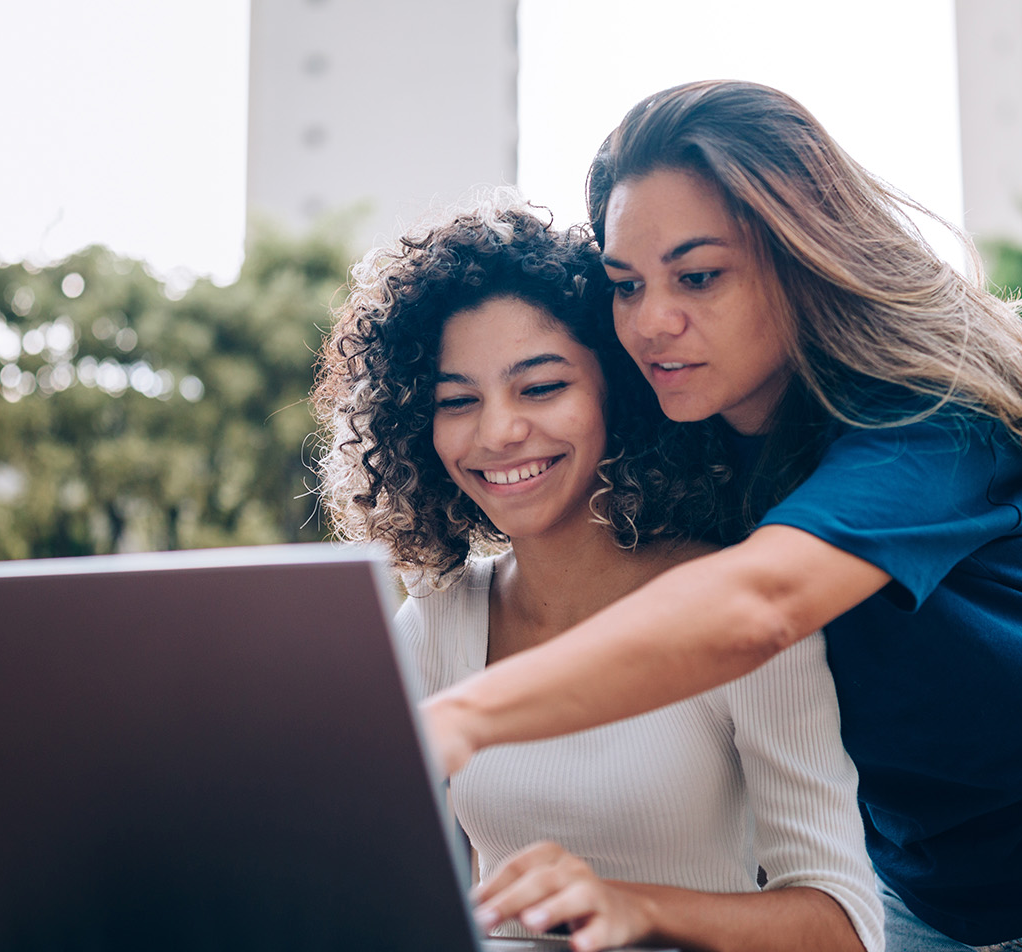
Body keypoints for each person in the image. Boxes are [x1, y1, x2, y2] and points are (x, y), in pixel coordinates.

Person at [418, 83, 1022, 951]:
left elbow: (761, 603)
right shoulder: (687, 438)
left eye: (698, 276)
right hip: (930, 889)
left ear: (802, 254)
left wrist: (461, 718)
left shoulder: (933, 411)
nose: (650, 322)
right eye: (626, 284)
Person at [312, 199, 885, 952]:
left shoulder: (733, 605)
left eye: (541, 388)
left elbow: (846, 927)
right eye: (458, 401)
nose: (498, 431)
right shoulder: (438, 618)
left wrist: (634, 907)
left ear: (618, 392)